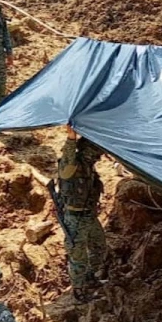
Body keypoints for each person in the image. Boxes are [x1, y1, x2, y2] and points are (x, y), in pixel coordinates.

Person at [58, 125, 107, 302]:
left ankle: (90, 278)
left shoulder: (88, 167)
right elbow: (67, 158)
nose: (96, 157)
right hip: (75, 218)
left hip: (88, 215)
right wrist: (71, 139)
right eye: (93, 153)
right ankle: (79, 291)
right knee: (78, 257)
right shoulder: (71, 167)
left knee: (99, 246)